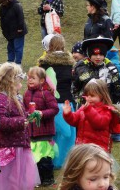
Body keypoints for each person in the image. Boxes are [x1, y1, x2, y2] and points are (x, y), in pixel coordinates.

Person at [0, 62, 40, 189]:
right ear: (11, 82)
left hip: (19, 146)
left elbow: (16, 115)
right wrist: (22, 122)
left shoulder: (14, 97)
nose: (21, 85)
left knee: (18, 179)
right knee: (8, 180)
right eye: (19, 81)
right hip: (8, 148)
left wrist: (29, 116)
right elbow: (0, 121)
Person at [38, 34, 76, 169]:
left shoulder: (44, 63)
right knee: (67, 134)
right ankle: (62, 161)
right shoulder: (70, 63)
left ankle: (58, 161)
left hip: (54, 103)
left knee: (58, 134)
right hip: (65, 103)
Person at [23, 66, 59, 186]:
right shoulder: (26, 93)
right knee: (35, 158)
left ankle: (48, 178)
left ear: (42, 80)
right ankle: (37, 178)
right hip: (32, 132)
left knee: (45, 158)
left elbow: (54, 109)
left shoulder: (46, 94)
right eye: (29, 78)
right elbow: (24, 109)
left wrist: (42, 113)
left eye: (33, 78)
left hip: (44, 132)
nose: (30, 80)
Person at [64, 79, 120, 153]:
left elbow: (100, 124)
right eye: (87, 95)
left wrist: (88, 110)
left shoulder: (106, 110)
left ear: (102, 95)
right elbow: (74, 120)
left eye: (92, 96)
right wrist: (68, 114)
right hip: (82, 148)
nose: (88, 98)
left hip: (98, 151)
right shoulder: (84, 108)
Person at [72, 37, 120, 107]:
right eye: (95, 55)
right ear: (89, 54)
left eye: (101, 54)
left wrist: (110, 103)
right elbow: (75, 87)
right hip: (86, 106)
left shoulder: (111, 68)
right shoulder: (80, 67)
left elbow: (118, 88)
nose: (98, 57)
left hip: (105, 107)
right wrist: (80, 102)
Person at [0, 0, 28, 65]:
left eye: (3, 2)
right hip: (8, 31)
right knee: (10, 48)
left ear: (7, 0)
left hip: (18, 31)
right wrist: (3, 30)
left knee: (18, 48)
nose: (2, 4)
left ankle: (18, 63)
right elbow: (2, 19)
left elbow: (21, 18)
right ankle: (10, 62)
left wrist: (20, 28)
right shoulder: (2, 7)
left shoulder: (17, 5)